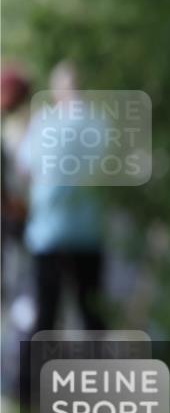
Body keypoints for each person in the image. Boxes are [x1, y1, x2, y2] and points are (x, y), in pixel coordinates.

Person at [16, 61, 107, 336]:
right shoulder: (100, 123)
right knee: (92, 312)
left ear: (57, 90)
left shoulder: (45, 123)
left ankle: (32, 366)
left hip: (48, 232)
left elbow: (24, 169)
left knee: (46, 314)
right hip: (88, 230)